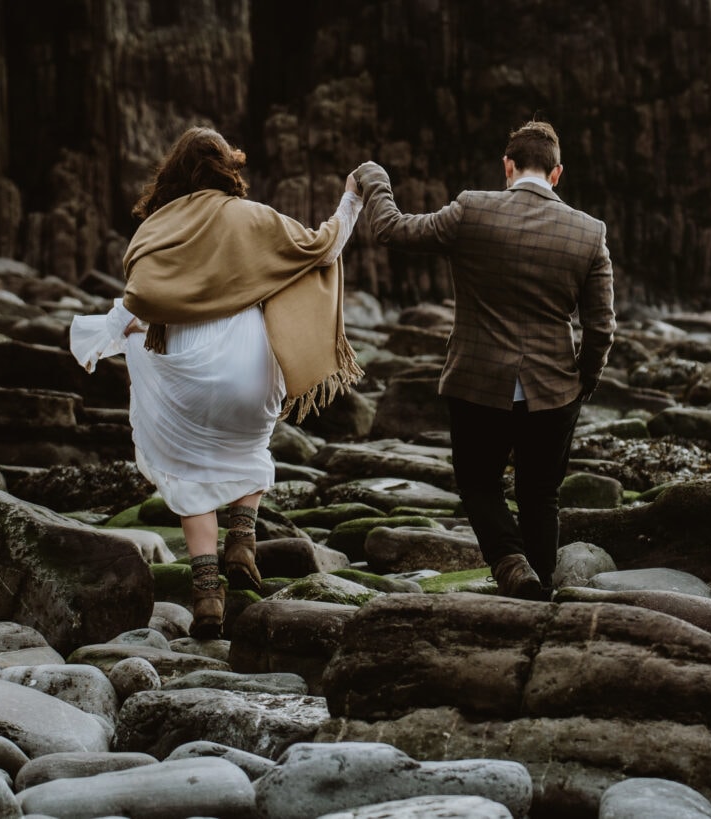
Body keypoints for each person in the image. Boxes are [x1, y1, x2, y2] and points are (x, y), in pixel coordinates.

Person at [71, 126, 363, 637]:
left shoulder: (154, 229)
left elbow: (137, 299)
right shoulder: (253, 218)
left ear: (174, 172)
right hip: (247, 372)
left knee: (190, 472)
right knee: (249, 443)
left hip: (183, 375)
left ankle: (206, 594)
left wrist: (107, 338)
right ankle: (243, 539)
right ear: (228, 168)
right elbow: (325, 245)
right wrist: (352, 196)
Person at [352, 119, 615, 601]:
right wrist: (585, 381)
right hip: (554, 389)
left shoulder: (473, 208)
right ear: (557, 174)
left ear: (508, 166)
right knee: (541, 494)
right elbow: (601, 327)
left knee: (478, 484)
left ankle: (511, 564)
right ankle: (538, 588)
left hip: (477, 383)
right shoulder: (589, 232)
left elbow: (392, 230)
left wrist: (376, 179)